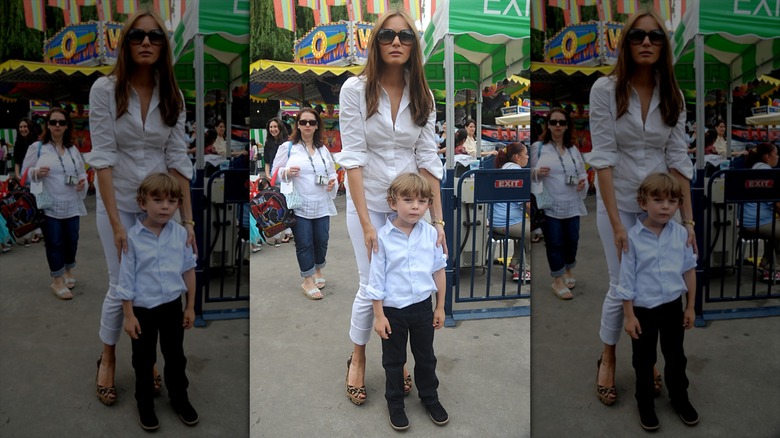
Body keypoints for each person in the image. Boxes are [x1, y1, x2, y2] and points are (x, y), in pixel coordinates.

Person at [337, 9, 445, 406]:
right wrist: (367, 223)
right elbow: (352, 157)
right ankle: (359, 357)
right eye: (387, 35)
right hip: (368, 203)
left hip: (411, 205)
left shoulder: (424, 95)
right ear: (375, 42)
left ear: (414, 45)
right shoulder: (355, 89)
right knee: (372, 284)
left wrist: (438, 220)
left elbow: (427, 158)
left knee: (407, 284)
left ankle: (395, 358)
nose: (396, 42)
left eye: (404, 35)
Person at [87, 9, 195, 407]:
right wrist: (117, 223)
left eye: (154, 36)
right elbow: (102, 158)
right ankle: (110, 356)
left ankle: (144, 356)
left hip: (161, 204)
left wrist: (188, 220)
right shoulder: (105, 90)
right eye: (137, 36)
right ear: (125, 43)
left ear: (164, 46)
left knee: (158, 283)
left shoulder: (174, 95)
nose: (145, 42)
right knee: (123, 284)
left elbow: (176, 158)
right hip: (118, 203)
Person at [587, 9, 695, 406]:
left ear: (664, 46)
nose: (646, 42)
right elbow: (603, 157)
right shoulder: (605, 89)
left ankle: (645, 356)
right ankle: (610, 356)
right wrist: (617, 223)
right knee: (622, 284)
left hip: (661, 204)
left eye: (655, 36)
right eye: (637, 36)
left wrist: (689, 221)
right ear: (626, 43)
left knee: (657, 285)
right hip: (619, 203)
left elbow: (678, 158)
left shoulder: (674, 95)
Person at [617, 173, 699, 431]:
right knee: (643, 359)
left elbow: (689, 272)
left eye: (672, 201)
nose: (665, 206)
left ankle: (679, 397)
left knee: (676, 356)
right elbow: (626, 280)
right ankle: (645, 404)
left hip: (673, 306)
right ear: (643, 203)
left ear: (678, 204)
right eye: (658, 200)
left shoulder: (681, 235)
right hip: (643, 310)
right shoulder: (632, 237)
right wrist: (629, 316)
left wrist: (690, 307)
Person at [117, 173, 198, 431]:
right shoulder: (132, 237)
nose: (165, 206)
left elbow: (188, 271)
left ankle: (179, 397)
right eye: (158, 200)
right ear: (143, 203)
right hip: (142, 311)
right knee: (143, 359)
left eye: (172, 201)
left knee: (175, 356)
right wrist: (128, 315)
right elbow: (126, 279)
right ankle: (144, 404)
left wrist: (190, 306)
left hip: (173, 306)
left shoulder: (180, 235)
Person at [368, 172, 448, 430]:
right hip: (393, 312)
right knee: (393, 361)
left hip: (423, 308)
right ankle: (395, 403)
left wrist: (440, 307)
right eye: (408, 200)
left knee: (426, 357)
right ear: (393, 203)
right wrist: (379, 316)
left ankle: (430, 397)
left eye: (422, 201)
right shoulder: (382, 237)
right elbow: (376, 280)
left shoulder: (430, 234)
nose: (416, 207)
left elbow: (438, 271)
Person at [271, 108, 338, 300]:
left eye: (311, 122)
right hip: (298, 204)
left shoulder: (323, 149)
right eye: (303, 122)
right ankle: (307, 279)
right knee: (304, 242)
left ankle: (317, 270)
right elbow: (274, 174)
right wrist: (286, 173)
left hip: (322, 203)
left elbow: (331, 172)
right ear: (297, 125)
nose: (307, 125)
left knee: (321, 240)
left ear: (317, 125)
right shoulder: (288, 147)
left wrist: (333, 181)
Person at [21, 109, 87, 300]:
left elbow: (81, 172)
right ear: (47, 125)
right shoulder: (38, 147)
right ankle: (57, 280)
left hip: (72, 204)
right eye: (53, 122)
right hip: (49, 205)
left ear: (67, 126)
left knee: (71, 240)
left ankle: (68, 271)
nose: (57, 125)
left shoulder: (73, 149)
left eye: (61, 122)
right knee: (54, 242)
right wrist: (36, 173)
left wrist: (82, 182)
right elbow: (24, 174)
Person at [531, 109, 588, 299]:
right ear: (547, 124)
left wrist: (582, 183)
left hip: (572, 204)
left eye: (561, 122)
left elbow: (582, 173)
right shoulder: (539, 147)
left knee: (572, 240)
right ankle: (557, 279)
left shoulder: (573, 150)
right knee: (554, 242)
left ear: (567, 126)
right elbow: (528, 173)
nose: (557, 126)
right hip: (549, 204)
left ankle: (568, 270)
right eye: (553, 122)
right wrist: (537, 172)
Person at [492, 142, 532, 282]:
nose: (528, 157)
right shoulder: (518, 173)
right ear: (517, 157)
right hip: (507, 222)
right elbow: (527, 204)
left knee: (524, 229)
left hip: (497, 221)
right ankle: (524, 269)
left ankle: (515, 263)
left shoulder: (504, 169)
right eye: (525, 154)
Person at [742, 142, 779, 282]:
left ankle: (766, 263)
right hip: (758, 222)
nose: (778, 157)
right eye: (776, 154)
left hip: (747, 221)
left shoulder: (754, 169)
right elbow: (777, 203)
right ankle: (776, 269)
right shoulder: (768, 173)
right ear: (767, 157)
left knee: (776, 230)